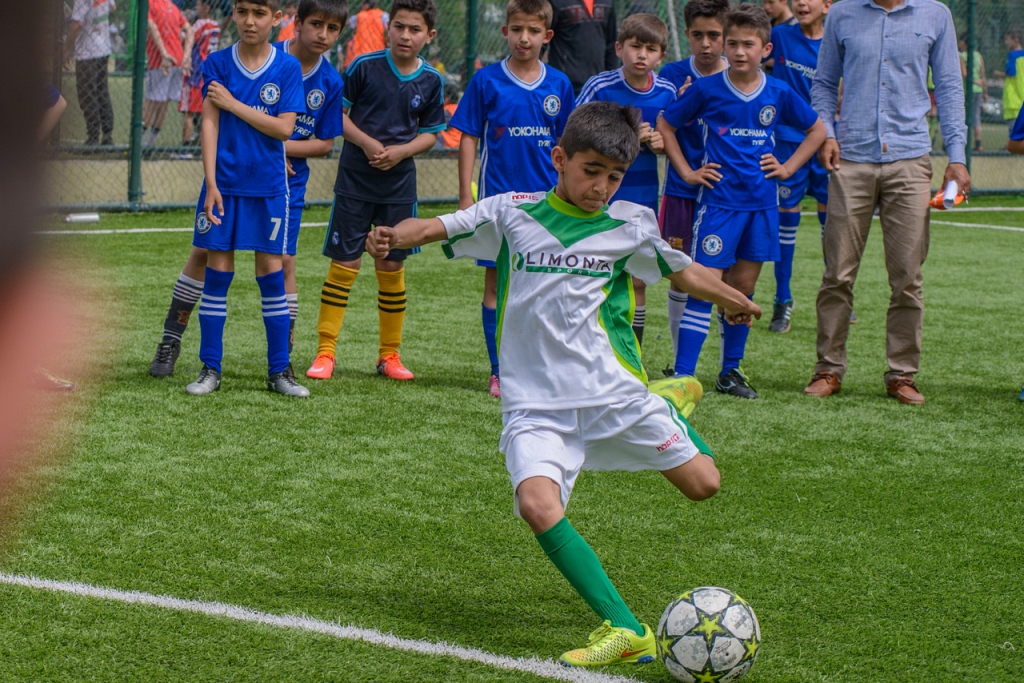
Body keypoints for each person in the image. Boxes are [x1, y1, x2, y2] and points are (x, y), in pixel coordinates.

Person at [365, 102, 761, 667]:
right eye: (591, 170)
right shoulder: (511, 212)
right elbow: (432, 227)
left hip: (613, 396)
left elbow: (681, 270)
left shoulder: (627, 227)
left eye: (614, 177)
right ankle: (627, 629)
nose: (601, 187)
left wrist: (733, 298)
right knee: (536, 504)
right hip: (535, 408)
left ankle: (665, 401)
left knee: (705, 485)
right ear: (559, 158)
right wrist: (391, 237)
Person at [150, 0, 347, 382]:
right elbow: (214, 120)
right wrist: (226, 170)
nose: (322, 34)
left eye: (332, 28)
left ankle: (281, 362)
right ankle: (173, 341)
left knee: (281, 263)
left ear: (276, 18)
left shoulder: (323, 79)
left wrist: (276, 151)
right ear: (296, 23)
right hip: (229, 177)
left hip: (280, 183)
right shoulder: (235, 58)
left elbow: (315, 140)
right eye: (315, 24)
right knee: (205, 255)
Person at [805, 0, 970, 405]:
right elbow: (823, 84)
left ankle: (902, 373)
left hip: (910, 159)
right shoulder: (841, 13)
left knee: (908, 277)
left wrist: (958, 156)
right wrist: (827, 133)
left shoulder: (936, 14)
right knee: (837, 273)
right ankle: (828, 368)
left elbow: (949, 86)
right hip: (850, 159)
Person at [657, 4, 825, 400]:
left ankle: (729, 371)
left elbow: (817, 130)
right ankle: (684, 374)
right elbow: (666, 123)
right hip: (719, 205)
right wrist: (687, 172)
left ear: (766, 49)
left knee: (743, 291)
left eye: (748, 44)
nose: (738, 51)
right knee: (705, 286)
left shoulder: (778, 91)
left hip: (762, 207)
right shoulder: (706, 89)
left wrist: (788, 167)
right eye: (732, 43)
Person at [306, 0, 445, 382]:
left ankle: (389, 355)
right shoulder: (363, 67)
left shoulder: (431, 80)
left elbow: (431, 134)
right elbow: (337, 116)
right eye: (399, 26)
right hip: (355, 181)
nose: (405, 35)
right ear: (388, 28)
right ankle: (325, 352)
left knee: (391, 265)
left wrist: (401, 151)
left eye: (415, 30)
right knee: (345, 264)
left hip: (398, 187)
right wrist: (368, 143)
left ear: (429, 35)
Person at [449, 0, 574, 397]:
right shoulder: (486, 81)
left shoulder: (559, 84)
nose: (524, 38)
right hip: (499, 205)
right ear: (505, 31)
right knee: (497, 286)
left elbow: (567, 146)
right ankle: (499, 371)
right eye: (517, 29)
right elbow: (468, 136)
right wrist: (465, 196)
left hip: (548, 206)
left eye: (533, 31)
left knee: (548, 287)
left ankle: (543, 368)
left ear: (547, 36)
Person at [183, 0, 308, 397]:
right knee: (217, 273)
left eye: (259, 13)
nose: (249, 21)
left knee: (271, 274)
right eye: (242, 11)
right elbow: (209, 122)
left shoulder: (287, 67)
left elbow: (285, 129)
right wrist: (211, 182)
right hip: (223, 186)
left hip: (268, 188)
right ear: (234, 14)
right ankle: (210, 368)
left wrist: (234, 104)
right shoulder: (218, 63)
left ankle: (279, 372)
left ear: (277, 18)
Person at [577, 13, 675, 346]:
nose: (641, 55)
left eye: (651, 49)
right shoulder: (600, 86)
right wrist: (629, 136)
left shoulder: (667, 92)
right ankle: (590, 345)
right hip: (599, 197)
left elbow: (678, 139)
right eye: (635, 46)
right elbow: (575, 131)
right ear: (619, 48)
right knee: (593, 272)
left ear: (661, 56)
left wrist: (663, 144)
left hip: (643, 198)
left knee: (636, 278)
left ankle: (631, 352)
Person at [657, 0, 729, 364]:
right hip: (681, 191)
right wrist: (686, 170)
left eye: (714, 35)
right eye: (698, 35)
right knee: (680, 274)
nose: (706, 44)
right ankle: (678, 362)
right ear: (686, 34)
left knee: (722, 279)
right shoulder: (671, 75)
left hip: (725, 196)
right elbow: (659, 128)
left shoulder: (740, 74)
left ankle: (729, 366)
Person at [763, 0, 830, 334]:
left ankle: (837, 298)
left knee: (831, 225)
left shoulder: (837, 40)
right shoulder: (780, 36)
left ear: (828, 5)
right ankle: (783, 299)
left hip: (828, 141)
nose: (801, 2)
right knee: (786, 222)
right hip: (788, 142)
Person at [143, 0, 195, 147]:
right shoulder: (172, 7)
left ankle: (140, 144)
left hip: (160, 62)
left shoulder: (149, 4)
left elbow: (152, 26)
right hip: (178, 61)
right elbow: (190, 31)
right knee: (163, 104)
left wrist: (164, 53)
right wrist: (186, 56)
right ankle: (149, 144)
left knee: (150, 103)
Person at [65, 0, 115, 146]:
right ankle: (107, 135)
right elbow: (112, 7)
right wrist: (96, 16)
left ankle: (93, 137)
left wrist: (66, 49)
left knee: (87, 94)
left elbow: (77, 24)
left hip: (87, 52)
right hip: (103, 47)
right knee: (101, 91)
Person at [547, 0, 618, 95]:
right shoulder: (556, 2)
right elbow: (541, 39)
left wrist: (611, 79)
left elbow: (611, 43)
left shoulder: (607, 2)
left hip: (598, 85)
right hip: (564, 85)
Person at [180, 0, 221, 146]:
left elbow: (187, 38)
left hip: (196, 73)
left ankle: (186, 146)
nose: (196, 8)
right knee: (205, 113)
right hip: (209, 71)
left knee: (188, 112)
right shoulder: (216, 25)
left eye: (198, 5)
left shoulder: (200, 24)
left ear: (206, 7)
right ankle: (202, 144)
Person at [994, 29, 1024, 138]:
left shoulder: (1013, 55)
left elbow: (1011, 73)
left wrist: (998, 73)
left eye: (1008, 40)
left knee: (1013, 129)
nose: (1006, 43)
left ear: (1016, 40)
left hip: (1014, 99)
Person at [959, 35, 985, 152]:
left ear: (964, 43)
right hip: (978, 90)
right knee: (976, 116)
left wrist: (974, 81)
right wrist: (984, 89)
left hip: (969, 91)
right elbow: (983, 74)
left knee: (965, 117)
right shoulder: (978, 55)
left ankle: (963, 143)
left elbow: (964, 74)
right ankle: (978, 143)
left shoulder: (962, 56)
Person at [344, 0, 389, 68]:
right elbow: (390, 29)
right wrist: (386, 40)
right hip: (377, 53)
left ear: (365, 4)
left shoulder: (360, 16)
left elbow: (348, 23)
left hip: (360, 55)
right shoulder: (382, 15)